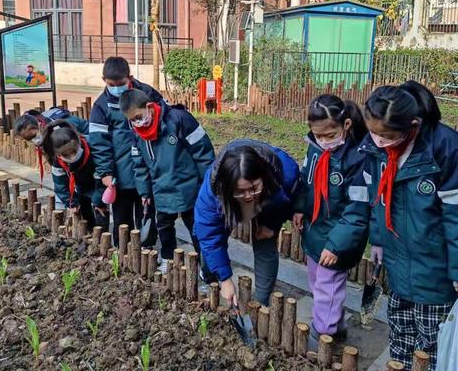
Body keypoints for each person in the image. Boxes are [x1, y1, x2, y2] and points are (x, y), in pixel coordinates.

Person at [348, 84, 458, 371]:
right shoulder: (375, 150)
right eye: (373, 132)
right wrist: (379, 241)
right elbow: (378, 199)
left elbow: (455, 217)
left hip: (434, 271)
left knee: (431, 345)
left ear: (413, 126)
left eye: (386, 136)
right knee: (401, 337)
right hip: (398, 266)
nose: (378, 141)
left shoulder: (443, 149)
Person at [294, 94, 368, 346]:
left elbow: (357, 209)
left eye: (330, 135)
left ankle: (322, 335)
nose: (324, 141)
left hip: (339, 234)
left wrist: (336, 245)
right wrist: (300, 208)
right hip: (316, 228)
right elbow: (306, 181)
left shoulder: (357, 159)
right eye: (318, 135)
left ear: (345, 125)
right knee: (317, 279)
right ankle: (336, 324)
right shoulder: (314, 148)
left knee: (329, 284)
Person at [119, 89, 215, 278]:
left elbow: (203, 153)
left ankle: (208, 267)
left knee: (197, 227)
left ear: (148, 107)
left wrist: (207, 186)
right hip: (160, 189)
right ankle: (168, 259)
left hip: (189, 187)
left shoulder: (179, 120)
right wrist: (144, 192)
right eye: (132, 120)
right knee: (163, 226)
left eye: (139, 116)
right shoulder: (137, 134)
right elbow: (139, 165)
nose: (137, 122)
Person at [194, 140, 301, 306]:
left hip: (268, 200)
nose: (249, 195)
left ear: (263, 177)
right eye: (241, 191)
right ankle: (210, 280)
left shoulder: (284, 173)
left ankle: (261, 303)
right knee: (213, 245)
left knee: (264, 241)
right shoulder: (212, 194)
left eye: (254, 188)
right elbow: (210, 237)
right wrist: (225, 279)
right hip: (229, 203)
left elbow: (287, 201)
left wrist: (270, 224)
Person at [89, 57, 163, 244]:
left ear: (129, 77)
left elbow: (163, 117)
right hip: (119, 175)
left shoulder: (146, 93)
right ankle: (124, 252)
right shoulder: (100, 105)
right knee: (122, 219)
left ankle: (148, 250)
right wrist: (105, 172)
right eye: (111, 84)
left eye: (120, 84)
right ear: (103, 79)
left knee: (146, 215)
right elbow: (99, 143)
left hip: (146, 171)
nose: (116, 88)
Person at [41, 120, 106, 231]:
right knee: (82, 208)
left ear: (78, 140)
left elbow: (102, 178)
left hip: (99, 183)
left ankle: (103, 234)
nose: (71, 157)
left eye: (74, 151)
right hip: (80, 185)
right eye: (66, 155)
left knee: (101, 209)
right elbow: (60, 184)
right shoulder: (56, 160)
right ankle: (89, 232)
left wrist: (98, 201)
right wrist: (71, 202)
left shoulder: (94, 147)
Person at [14, 107, 89, 185]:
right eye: (29, 139)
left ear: (40, 125)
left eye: (33, 136)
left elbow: (94, 139)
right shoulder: (44, 135)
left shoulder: (66, 125)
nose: (33, 140)